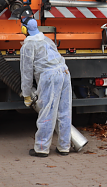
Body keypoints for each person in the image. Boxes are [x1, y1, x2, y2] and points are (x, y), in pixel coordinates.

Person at [20, 17, 72, 157]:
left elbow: (26, 72)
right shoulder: (47, 40)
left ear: (24, 29)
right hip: (64, 72)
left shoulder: (28, 46)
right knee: (64, 111)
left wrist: (26, 94)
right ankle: (64, 147)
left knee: (47, 111)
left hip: (50, 76)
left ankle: (41, 148)